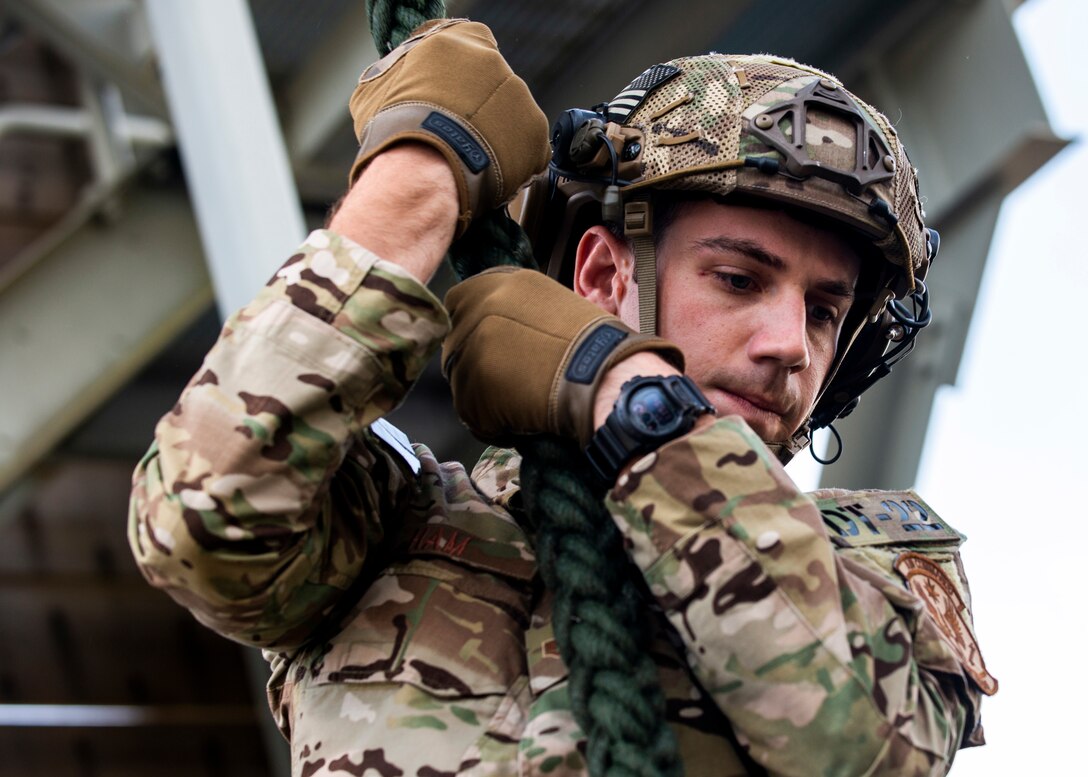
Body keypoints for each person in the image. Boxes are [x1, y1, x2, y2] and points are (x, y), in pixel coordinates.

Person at [128, 18, 997, 776]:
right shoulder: (397, 517)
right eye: (737, 279)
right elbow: (201, 520)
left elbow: (862, 745)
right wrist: (418, 178)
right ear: (600, 275)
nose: (789, 346)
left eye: (824, 311)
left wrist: (626, 395)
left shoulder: (878, 566)